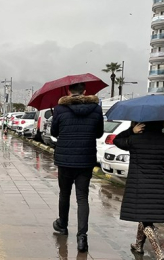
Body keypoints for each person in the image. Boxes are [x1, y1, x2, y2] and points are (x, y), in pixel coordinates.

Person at [113, 121, 164, 260]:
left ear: (144, 125)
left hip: (140, 185)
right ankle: (138, 245)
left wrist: (131, 130)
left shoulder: (135, 140)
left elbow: (117, 140)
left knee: (147, 221)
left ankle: (160, 253)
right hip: (161, 184)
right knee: (145, 215)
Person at [50, 82, 104, 253]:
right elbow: (99, 133)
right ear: (85, 91)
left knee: (64, 193)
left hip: (65, 159)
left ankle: (63, 225)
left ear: (69, 91)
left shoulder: (60, 109)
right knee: (82, 197)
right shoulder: (95, 109)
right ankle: (82, 237)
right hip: (86, 159)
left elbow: (53, 132)